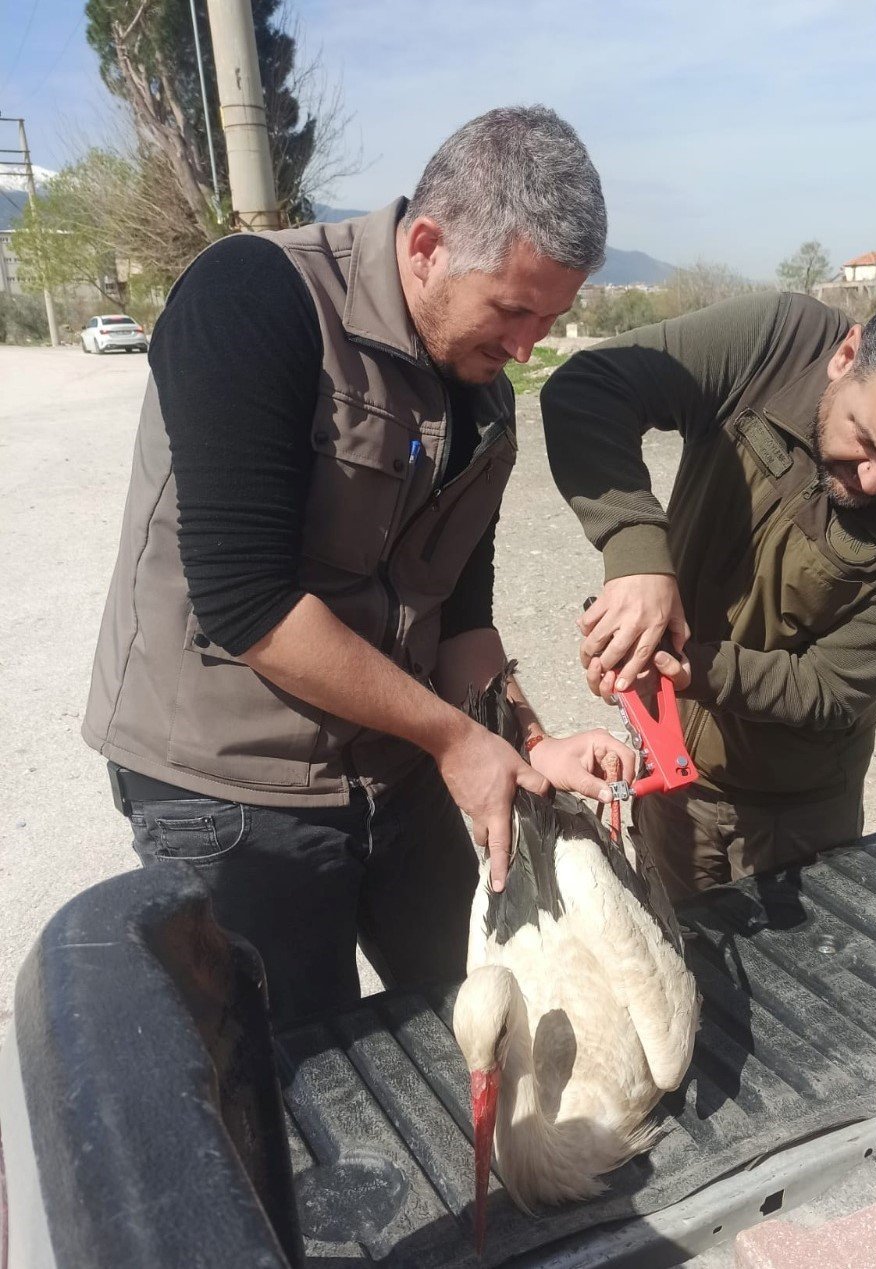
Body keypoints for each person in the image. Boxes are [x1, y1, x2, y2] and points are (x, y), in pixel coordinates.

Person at [83, 105, 633, 1025]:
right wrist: (457, 741)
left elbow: (459, 611)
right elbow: (244, 599)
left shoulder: (484, 393)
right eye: (513, 309)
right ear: (426, 244)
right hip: (232, 785)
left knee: (475, 1008)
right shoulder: (254, 301)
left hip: (396, 760)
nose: (528, 347)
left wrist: (530, 743)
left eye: (552, 317)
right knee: (296, 1073)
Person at [541, 278, 876, 901]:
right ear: (847, 355)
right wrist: (637, 553)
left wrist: (682, 663)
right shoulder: (773, 341)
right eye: (867, 441)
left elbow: (829, 688)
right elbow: (588, 388)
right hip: (671, 792)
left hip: (798, 816)